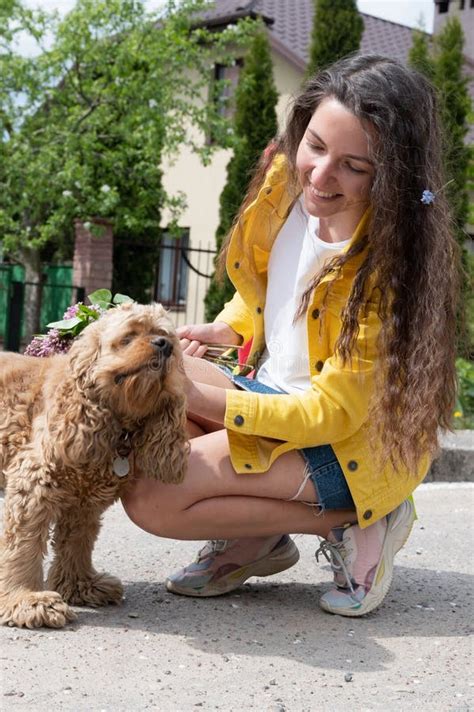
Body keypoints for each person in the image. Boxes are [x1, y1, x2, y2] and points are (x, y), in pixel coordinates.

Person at [122, 54, 460, 617]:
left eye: (356, 166)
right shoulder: (286, 188)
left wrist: (202, 396)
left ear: (393, 177)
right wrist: (230, 327)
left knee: (151, 496)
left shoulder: (388, 271)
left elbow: (329, 413)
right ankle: (259, 537)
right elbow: (262, 288)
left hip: (347, 445)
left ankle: (365, 514)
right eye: (317, 146)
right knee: (147, 411)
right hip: (272, 397)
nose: (322, 176)